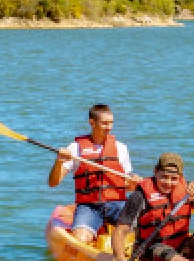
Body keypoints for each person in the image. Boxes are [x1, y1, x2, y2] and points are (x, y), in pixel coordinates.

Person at [110, 152, 194, 261]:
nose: (168, 183)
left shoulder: (187, 190)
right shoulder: (140, 196)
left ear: (180, 177)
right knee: (159, 248)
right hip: (151, 250)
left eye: (174, 179)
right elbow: (120, 230)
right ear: (155, 172)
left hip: (181, 246)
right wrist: (120, 257)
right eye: (164, 177)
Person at [48, 103, 140, 243]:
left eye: (111, 123)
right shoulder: (75, 149)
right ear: (92, 122)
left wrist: (134, 184)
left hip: (117, 205)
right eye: (104, 123)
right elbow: (53, 183)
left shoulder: (121, 148)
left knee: (141, 233)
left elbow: (126, 186)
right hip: (90, 207)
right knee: (80, 239)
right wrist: (59, 161)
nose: (109, 127)